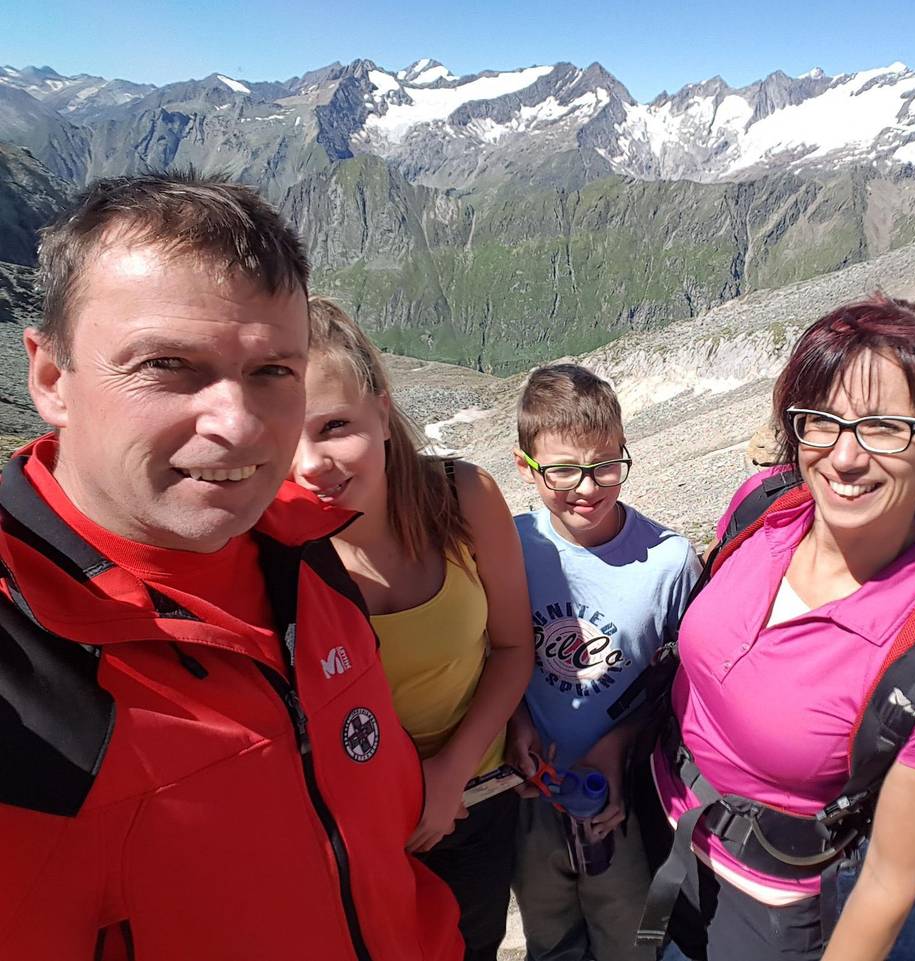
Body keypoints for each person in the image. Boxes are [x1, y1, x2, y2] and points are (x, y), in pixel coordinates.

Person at [0, 172, 462, 961]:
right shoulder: (24, 666)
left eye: (272, 370)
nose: (239, 424)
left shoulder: (307, 552)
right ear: (51, 378)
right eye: (168, 365)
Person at [650, 295, 915, 961]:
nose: (844, 457)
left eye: (885, 427)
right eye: (822, 422)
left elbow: (888, 887)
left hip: (766, 904)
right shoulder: (762, 510)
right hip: (658, 824)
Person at [292, 298, 534, 961]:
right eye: (284, 434)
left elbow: (514, 648)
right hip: (358, 824)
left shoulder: (464, 498)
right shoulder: (279, 552)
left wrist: (449, 775)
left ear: (383, 408)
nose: (310, 463)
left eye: (334, 425)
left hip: (476, 798)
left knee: (472, 945)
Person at [505, 363, 701, 961]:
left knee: (628, 938)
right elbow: (490, 650)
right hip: (532, 791)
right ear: (526, 467)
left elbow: (686, 681)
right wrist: (514, 721)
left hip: (627, 797)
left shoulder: (669, 560)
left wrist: (622, 745)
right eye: (563, 470)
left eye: (605, 466)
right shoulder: (509, 546)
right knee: (550, 932)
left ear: (623, 455)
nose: (587, 488)